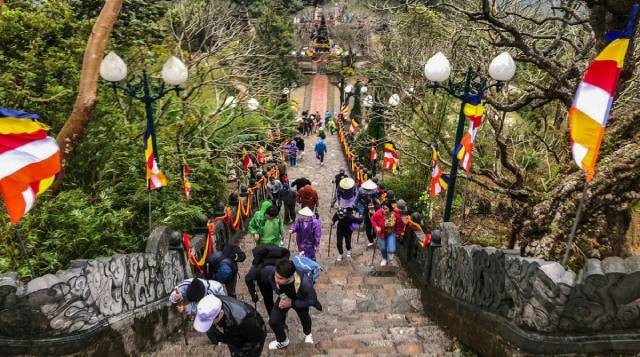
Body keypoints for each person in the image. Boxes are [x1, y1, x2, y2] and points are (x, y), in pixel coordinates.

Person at [267, 260, 322, 350]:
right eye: (276, 276)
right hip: (285, 296)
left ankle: (307, 334)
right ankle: (282, 340)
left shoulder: (305, 284)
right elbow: (273, 283)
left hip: (300, 298)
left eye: (280, 278)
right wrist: (283, 297)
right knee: (273, 321)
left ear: (289, 277)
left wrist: (291, 303)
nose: (276, 280)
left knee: (304, 318)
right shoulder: (275, 273)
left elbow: (312, 300)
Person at [194, 294, 266, 357]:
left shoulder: (245, 321)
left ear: (221, 313)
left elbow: (258, 339)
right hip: (234, 337)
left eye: (209, 322)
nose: (209, 326)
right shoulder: (211, 303)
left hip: (249, 344)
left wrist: (244, 352)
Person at [245, 245, 290, 314]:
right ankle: (274, 315)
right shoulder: (257, 269)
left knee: (271, 299)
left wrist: (285, 299)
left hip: (269, 278)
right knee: (269, 299)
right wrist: (253, 294)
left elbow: (280, 290)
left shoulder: (278, 272)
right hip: (263, 280)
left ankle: (274, 316)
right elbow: (248, 279)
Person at [370, 201, 404, 266]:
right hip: (381, 233)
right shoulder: (379, 213)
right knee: (383, 248)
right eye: (383, 208)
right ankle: (384, 258)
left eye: (385, 208)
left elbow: (400, 223)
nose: (383, 210)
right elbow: (372, 219)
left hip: (391, 233)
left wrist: (398, 232)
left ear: (390, 208)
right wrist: (376, 227)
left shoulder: (395, 213)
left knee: (391, 249)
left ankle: (389, 256)